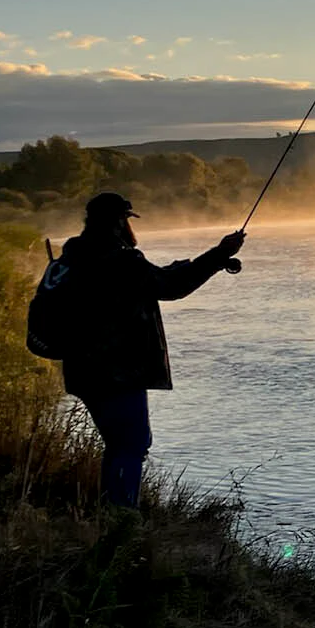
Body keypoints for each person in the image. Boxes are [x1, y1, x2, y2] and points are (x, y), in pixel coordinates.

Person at [59, 192, 246, 508]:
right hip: (116, 370)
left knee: (120, 444)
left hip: (81, 367)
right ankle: (121, 518)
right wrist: (219, 255)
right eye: (126, 221)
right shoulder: (121, 259)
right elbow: (170, 287)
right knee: (131, 444)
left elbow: (156, 278)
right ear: (120, 222)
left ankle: (112, 515)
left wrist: (210, 259)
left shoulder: (73, 257)